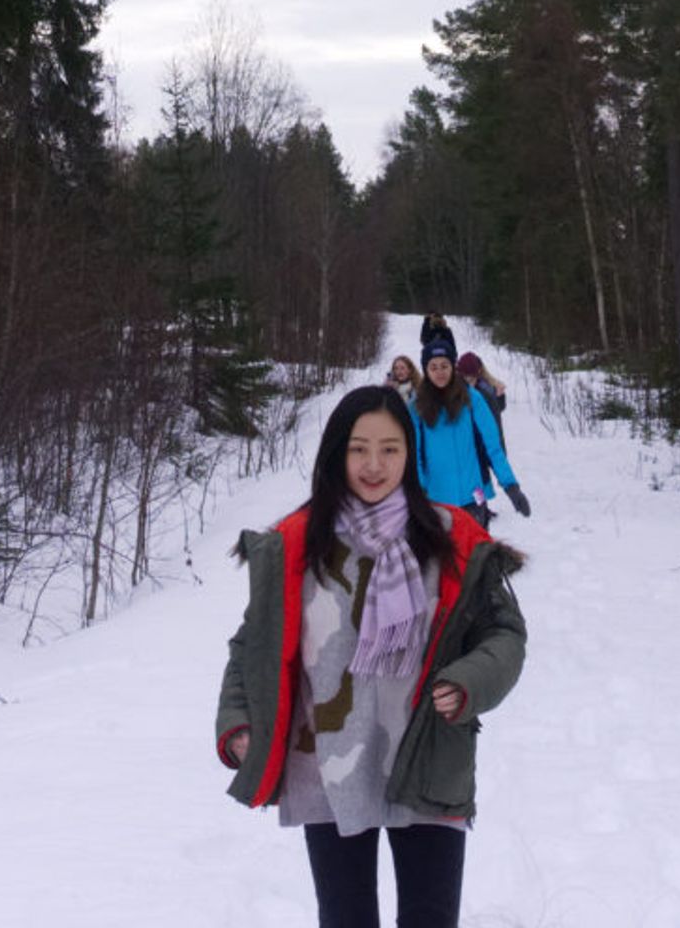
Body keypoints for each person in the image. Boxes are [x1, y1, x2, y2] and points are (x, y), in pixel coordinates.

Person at [215, 385, 527, 928]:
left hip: (428, 756)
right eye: (359, 449)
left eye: (390, 449)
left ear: (410, 455)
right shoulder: (295, 543)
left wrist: (470, 680)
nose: (374, 465)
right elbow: (252, 644)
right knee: (345, 918)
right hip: (328, 764)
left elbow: (505, 633)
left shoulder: (454, 537)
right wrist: (239, 720)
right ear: (337, 453)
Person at [414, 337, 530, 527]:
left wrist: (511, 486)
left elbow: (492, 446)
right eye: (433, 367)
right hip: (435, 502)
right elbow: (415, 455)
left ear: (453, 366)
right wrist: (419, 493)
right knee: (443, 557)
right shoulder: (416, 406)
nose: (440, 372)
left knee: (477, 555)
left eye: (444, 365)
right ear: (426, 371)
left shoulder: (472, 399)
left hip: (473, 497)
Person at [455, 353, 506, 422]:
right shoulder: (453, 388)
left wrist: (499, 397)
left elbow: (495, 411)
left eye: (471, 380)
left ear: (477, 376)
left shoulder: (485, 390)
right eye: (464, 379)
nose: (468, 384)